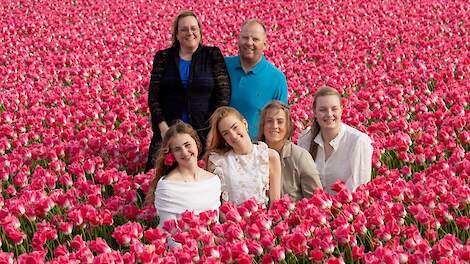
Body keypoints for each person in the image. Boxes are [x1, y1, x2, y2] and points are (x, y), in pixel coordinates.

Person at [146, 11, 231, 172]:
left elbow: (223, 95)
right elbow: (153, 96)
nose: (189, 33)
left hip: (204, 133)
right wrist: (164, 129)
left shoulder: (212, 55)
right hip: (168, 133)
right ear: (177, 34)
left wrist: (214, 130)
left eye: (193, 28)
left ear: (200, 31)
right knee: (159, 179)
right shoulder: (163, 57)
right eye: (184, 29)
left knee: (202, 179)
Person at [145, 121, 221, 228]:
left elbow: (215, 224)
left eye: (187, 145)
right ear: (171, 154)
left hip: (211, 243)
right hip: (180, 243)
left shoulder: (213, 180)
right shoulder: (168, 186)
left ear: (197, 143)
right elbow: (169, 231)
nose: (184, 152)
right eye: (177, 149)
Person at [297, 87, 373, 194]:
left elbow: (359, 187)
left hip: (346, 208)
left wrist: (332, 207)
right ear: (314, 112)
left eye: (334, 109)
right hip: (312, 207)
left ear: (342, 109)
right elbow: (299, 181)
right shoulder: (305, 139)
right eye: (322, 109)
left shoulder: (358, 142)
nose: (329, 114)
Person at [225, 19, 288, 139]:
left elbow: (280, 123)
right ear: (238, 40)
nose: (249, 43)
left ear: (265, 44)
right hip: (219, 149)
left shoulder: (276, 79)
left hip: (254, 151)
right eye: (245, 37)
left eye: (255, 39)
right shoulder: (222, 66)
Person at [206, 106, 281, 206]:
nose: (233, 135)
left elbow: (275, 202)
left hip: (263, 219)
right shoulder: (217, 161)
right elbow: (215, 204)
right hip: (231, 220)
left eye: (235, 127)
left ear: (244, 123)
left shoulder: (269, 156)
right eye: (226, 133)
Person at [258, 101, 322, 201]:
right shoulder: (254, 154)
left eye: (280, 121)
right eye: (269, 121)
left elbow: (315, 199)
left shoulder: (300, 157)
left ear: (288, 126)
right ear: (262, 125)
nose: (274, 126)